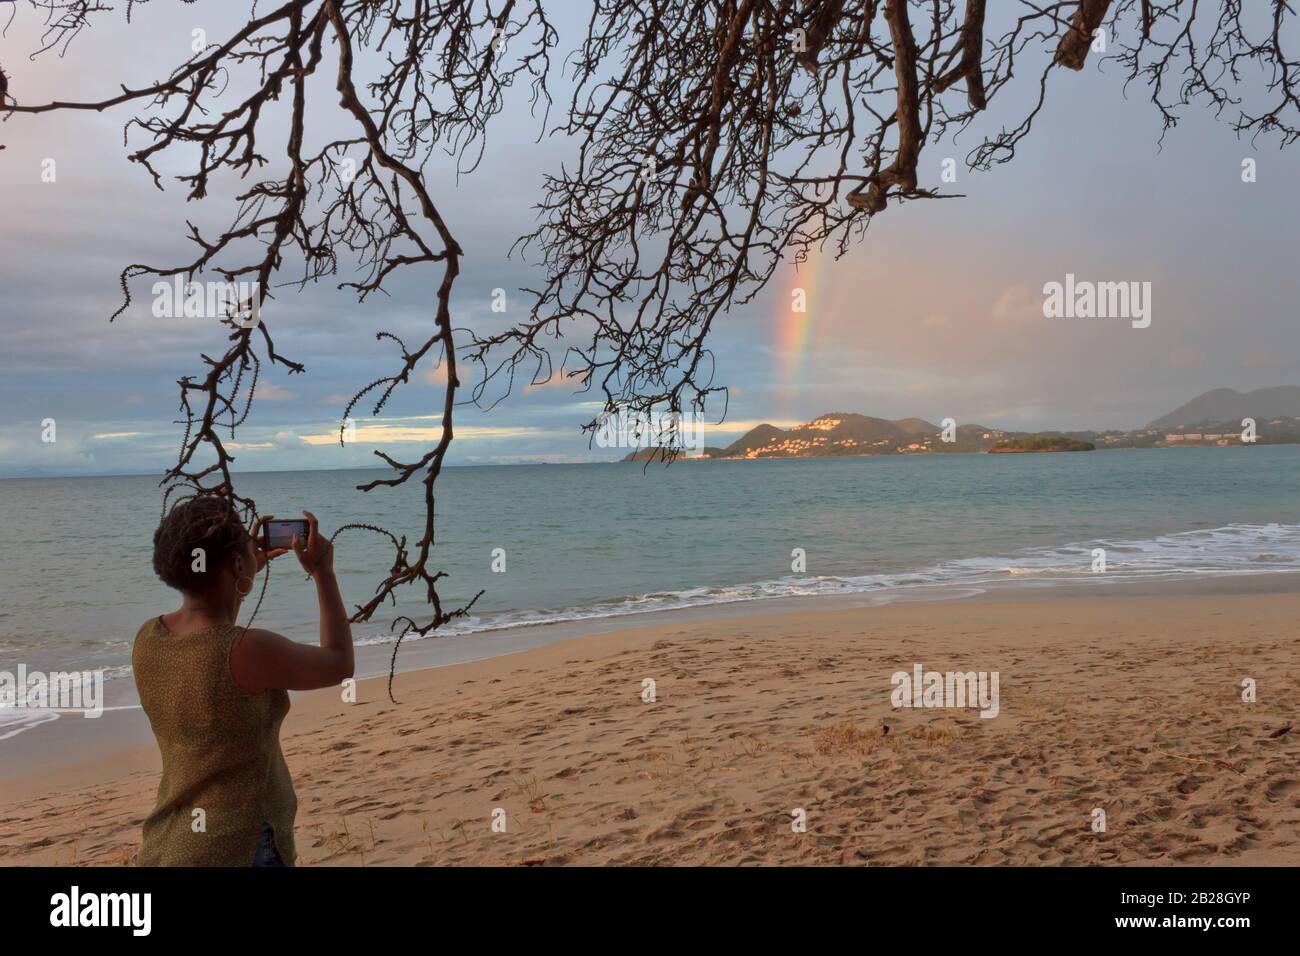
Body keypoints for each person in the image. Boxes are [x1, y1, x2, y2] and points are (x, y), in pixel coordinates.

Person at [132, 495, 354, 866]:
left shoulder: (148, 639)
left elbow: (212, 644)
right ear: (236, 564)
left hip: (167, 842)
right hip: (241, 844)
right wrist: (323, 573)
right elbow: (338, 663)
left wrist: (242, 571)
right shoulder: (248, 650)